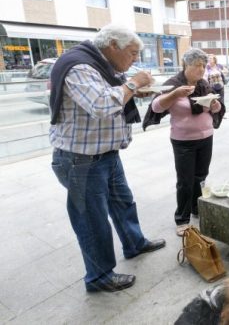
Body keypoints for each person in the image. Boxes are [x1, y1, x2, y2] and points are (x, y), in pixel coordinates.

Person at [49, 24, 166, 293]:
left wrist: (133, 89)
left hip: (105, 154)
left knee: (123, 202)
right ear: (113, 45)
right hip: (81, 159)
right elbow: (102, 105)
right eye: (133, 53)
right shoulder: (79, 66)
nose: (135, 59)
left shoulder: (103, 67)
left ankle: (134, 243)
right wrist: (134, 83)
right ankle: (99, 276)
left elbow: (112, 96)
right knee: (92, 221)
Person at [143, 49, 226, 236]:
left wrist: (215, 105)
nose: (201, 69)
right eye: (197, 65)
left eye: (203, 66)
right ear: (186, 65)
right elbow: (156, 106)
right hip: (183, 141)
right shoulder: (174, 84)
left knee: (201, 176)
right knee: (185, 181)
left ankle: (196, 207)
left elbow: (216, 108)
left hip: (206, 136)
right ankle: (182, 218)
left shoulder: (203, 84)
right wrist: (175, 95)